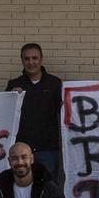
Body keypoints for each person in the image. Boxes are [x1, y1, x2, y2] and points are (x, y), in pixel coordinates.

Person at [6, 43, 65, 181]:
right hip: (21, 149)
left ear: (41, 59)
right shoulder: (14, 84)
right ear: (22, 60)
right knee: (22, 184)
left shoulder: (55, 83)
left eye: (34, 58)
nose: (31, 62)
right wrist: (11, 98)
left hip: (48, 148)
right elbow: (4, 113)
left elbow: (66, 112)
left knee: (48, 187)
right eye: (27, 59)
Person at [0, 141, 64, 198]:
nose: (20, 162)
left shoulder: (48, 188)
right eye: (15, 158)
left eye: (24, 157)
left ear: (32, 159)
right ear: (9, 162)